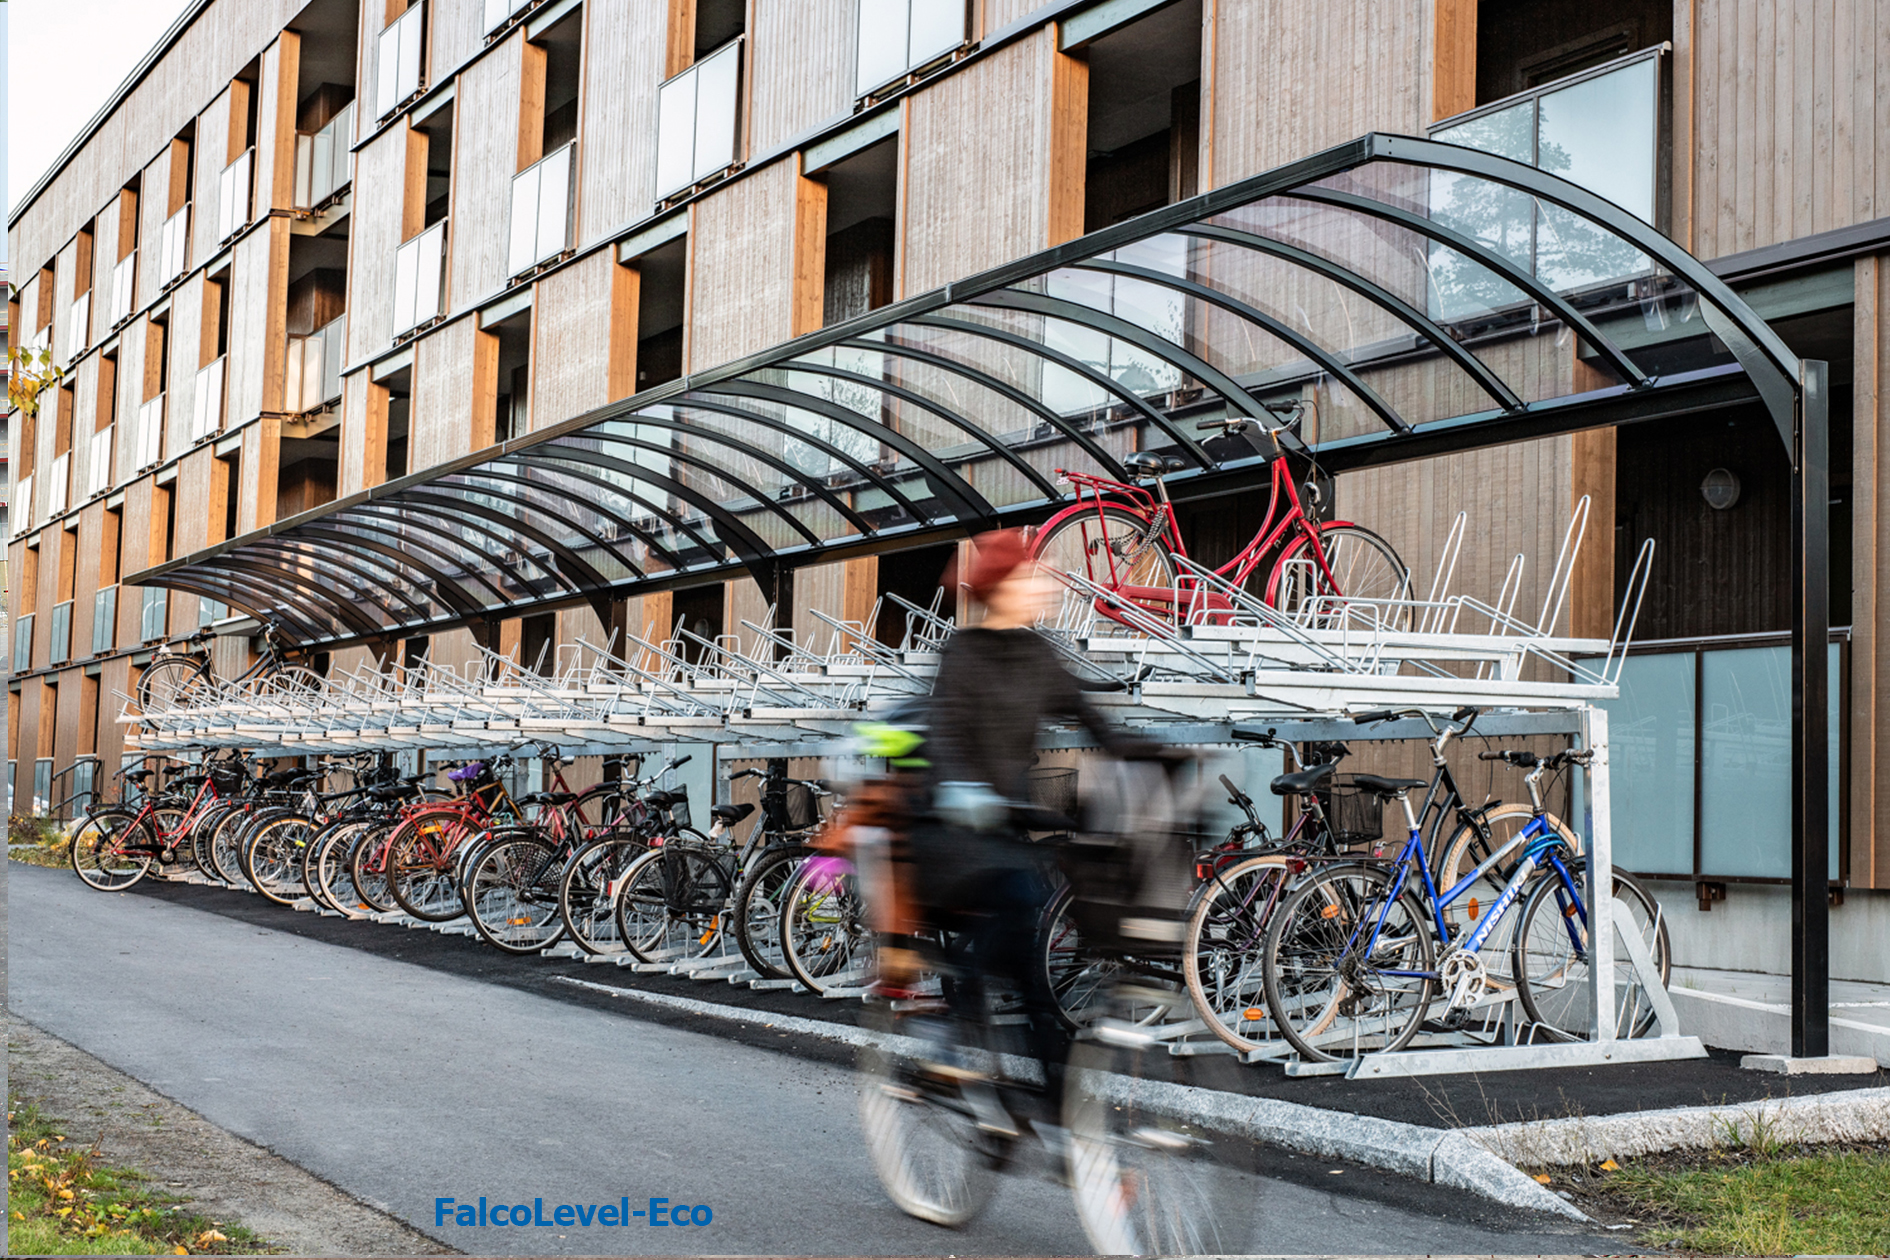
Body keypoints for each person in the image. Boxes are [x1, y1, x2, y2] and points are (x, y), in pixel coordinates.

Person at [913, 528, 1151, 1118]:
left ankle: (1057, 1114)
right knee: (1020, 929)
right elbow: (942, 738)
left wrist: (1157, 756)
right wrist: (963, 790)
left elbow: (1094, 720)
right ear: (1003, 589)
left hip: (1007, 833)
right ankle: (951, 1034)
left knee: (1032, 970)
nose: (1044, 584)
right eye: (1033, 575)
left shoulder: (1039, 655)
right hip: (952, 834)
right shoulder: (961, 655)